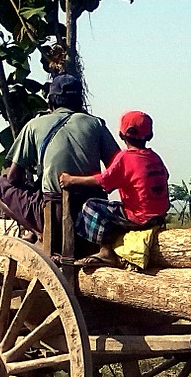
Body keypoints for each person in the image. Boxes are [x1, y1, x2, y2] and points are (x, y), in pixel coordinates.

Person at [0, 74, 119, 236]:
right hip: (92, 214)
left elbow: (14, 178)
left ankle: (37, 232)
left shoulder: (34, 125)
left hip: (52, 213)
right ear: (80, 101)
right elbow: (118, 170)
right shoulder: (96, 124)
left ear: (50, 101)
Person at [58, 110, 169, 266]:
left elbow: (103, 182)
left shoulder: (125, 158)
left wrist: (71, 180)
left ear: (121, 135)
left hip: (138, 217)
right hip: (158, 215)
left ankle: (105, 251)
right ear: (149, 136)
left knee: (91, 206)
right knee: (115, 207)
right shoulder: (155, 157)